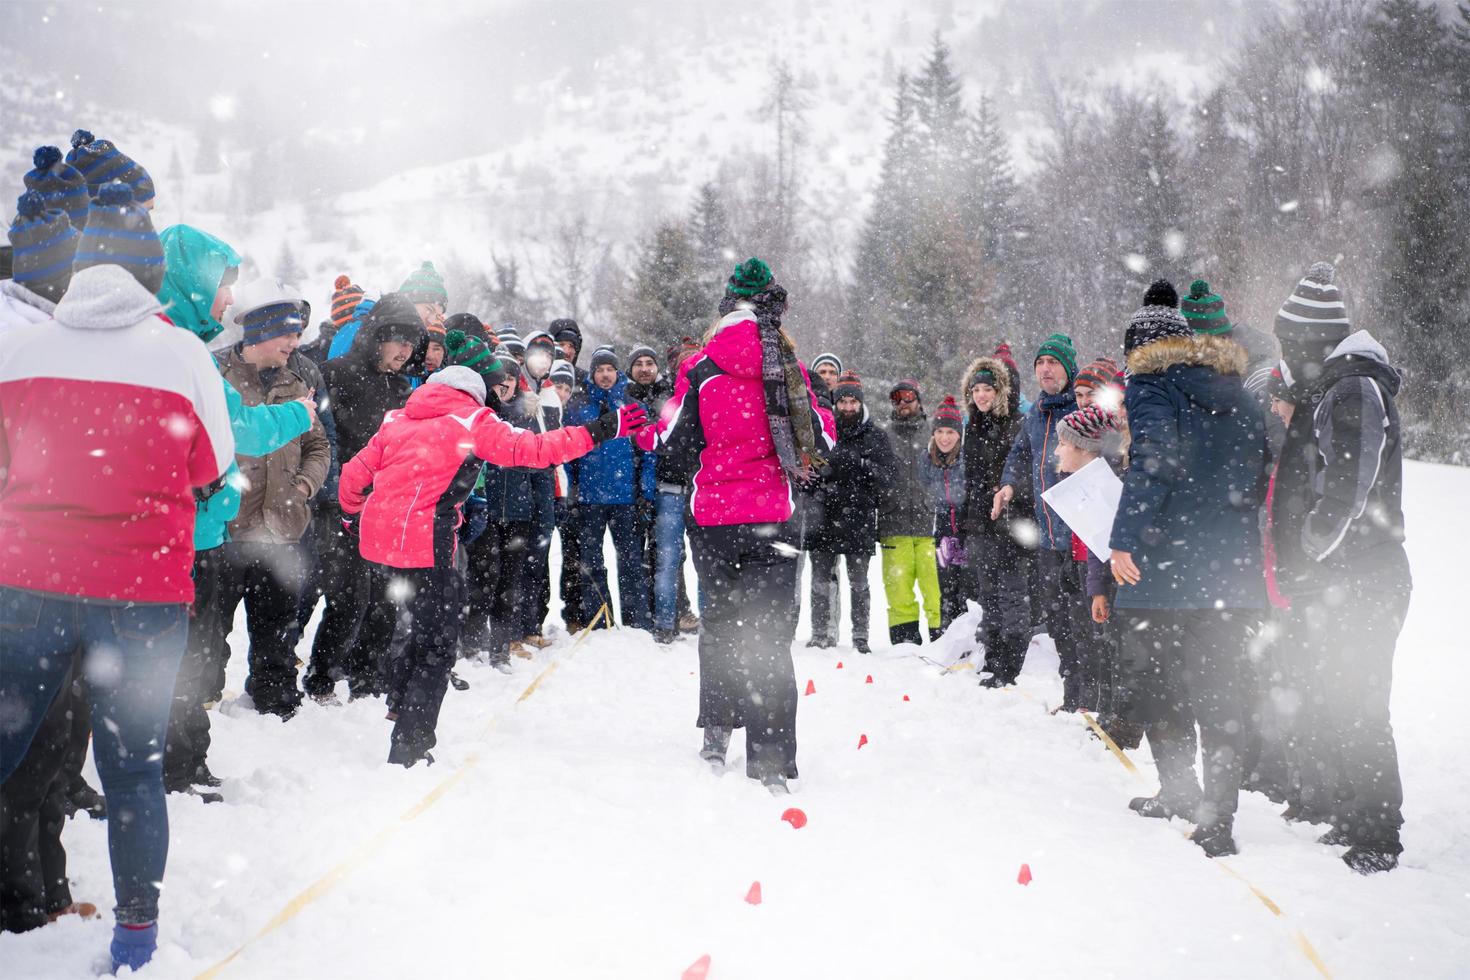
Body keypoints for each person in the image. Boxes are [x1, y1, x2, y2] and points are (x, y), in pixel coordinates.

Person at [0, 189, 233, 972]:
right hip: (141, 596)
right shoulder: (181, 354)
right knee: (133, 770)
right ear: (150, 277)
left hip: (26, 586)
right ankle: (135, 940)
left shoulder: (21, 352)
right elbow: (215, 466)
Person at [338, 365, 646, 766]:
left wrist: (350, 515)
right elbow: (535, 451)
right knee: (437, 642)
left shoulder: (397, 419)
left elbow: (353, 474)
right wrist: (599, 430)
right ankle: (410, 747)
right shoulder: (473, 420)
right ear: (474, 395)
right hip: (425, 542)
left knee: (410, 620)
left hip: (378, 541)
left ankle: (399, 699)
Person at [638, 257, 834, 792]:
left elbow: (672, 446)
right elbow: (822, 438)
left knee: (721, 628)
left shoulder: (700, 369)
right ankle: (771, 758)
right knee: (770, 638)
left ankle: (718, 733)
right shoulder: (788, 368)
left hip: (716, 521)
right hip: (774, 518)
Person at [1109, 284, 1269, 858]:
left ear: (1141, 349)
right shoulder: (1240, 392)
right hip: (1232, 574)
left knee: (1159, 686)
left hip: (1162, 571)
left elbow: (1153, 461)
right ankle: (1216, 817)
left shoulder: (1151, 386)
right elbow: (1257, 474)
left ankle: (1180, 790)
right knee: (1222, 692)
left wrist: (1123, 540)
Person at [158, 225, 316, 796]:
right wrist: (300, 415)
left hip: (194, 530)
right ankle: (176, 764)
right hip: (185, 536)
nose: (228, 302)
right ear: (193, 285)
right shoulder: (183, 353)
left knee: (186, 651)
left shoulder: (178, 346)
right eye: (222, 287)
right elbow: (234, 428)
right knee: (190, 653)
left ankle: (177, 759)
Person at [1269, 262, 1412, 874]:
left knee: (1358, 701)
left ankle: (1380, 831)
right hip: (1346, 577)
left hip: (1367, 576)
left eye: (1290, 344)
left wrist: (1308, 547)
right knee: (1335, 694)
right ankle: (1355, 811)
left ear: (1311, 341)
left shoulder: (1353, 387)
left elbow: (1348, 492)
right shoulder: (1336, 383)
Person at [202, 279, 329, 719]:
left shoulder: (301, 380)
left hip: (282, 529)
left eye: (297, 334)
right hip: (227, 530)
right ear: (259, 334)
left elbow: (319, 445)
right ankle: (203, 701)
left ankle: (274, 700)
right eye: (288, 334)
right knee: (209, 631)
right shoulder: (216, 376)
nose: (295, 343)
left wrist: (304, 487)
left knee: (277, 629)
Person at [305, 293, 422, 700]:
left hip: (386, 506)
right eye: (399, 341)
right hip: (341, 504)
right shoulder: (336, 373)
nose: (405, 351)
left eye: (411, 344)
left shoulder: (401, 387)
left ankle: (367, 678)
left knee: (386, 598)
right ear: (376, 337)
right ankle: (320, 676)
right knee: (347, 596)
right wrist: (335, 489)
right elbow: (320, 437)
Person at [993, 332, 1082, 705]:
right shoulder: (1037, 411)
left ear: (1068, 368)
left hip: (1079, 537)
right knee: (1059, 619)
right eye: (1040, 364)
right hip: (1047, 536)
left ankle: (1089, 696)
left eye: (1053, 363)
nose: (1045, 370)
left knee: (1083, 623)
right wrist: (1007, 487)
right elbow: (1018, 455)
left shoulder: (1081, 409)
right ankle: (1072, 692)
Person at [1052, 404, 1139, 748]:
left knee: (1126, 654)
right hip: (1111, 581)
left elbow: (1113, 539)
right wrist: (1097, 590)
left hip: (1132, 580)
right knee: (1110, 650)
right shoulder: (1089, 481)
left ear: (1085, 448)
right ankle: (1112, 716)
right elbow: (1096, 544)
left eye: (1063, 444)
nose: (1057, 451)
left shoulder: (1116, 482)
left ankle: (1125, 722)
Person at [564, 346, 654, 630]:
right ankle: (599, 619)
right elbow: (568, 449)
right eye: (600, 370)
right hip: (590, 497)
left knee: (630, 560)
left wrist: (645, 491)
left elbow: (647, 453)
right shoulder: (578, 408)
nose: (605, 375)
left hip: (625, 498)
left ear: (618, 373)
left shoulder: (633, 407)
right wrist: (573, 486)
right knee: (592, 560)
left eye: (610, 369)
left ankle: (636, 621)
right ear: (592, 374)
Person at [805, 372, 892, 653]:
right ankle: (821, 633)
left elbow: (889, 476)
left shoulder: (876, 435)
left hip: (859, 516)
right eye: (842, 401)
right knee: (820, 580)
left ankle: (860, 637)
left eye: (853, 401)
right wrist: (820, 482)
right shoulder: (822, 431)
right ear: (835, 403)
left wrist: (861, 465)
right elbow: (806, 471)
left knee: (859, 582)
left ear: (861, 402)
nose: (847, 407)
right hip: (824, 513)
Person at [958, 356, 1027, 686]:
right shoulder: (972, 424)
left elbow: (1019, 472)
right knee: (989, 595)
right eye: (976, 390)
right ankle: (993, 657)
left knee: (1011, 593)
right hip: (980, 519)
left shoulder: (1015, 423)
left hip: (1009, 518)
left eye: (988, 389)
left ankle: (1010, 666)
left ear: (1000, 391)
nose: (982, 395)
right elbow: (969, 477)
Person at [880, 379, 942, 645]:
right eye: (897, 399)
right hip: (893, 524)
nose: (903, 404)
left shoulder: (935, 432)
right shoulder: (883, 435)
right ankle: (904, 643)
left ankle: (942, 639)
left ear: (919, 400)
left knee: (935, 589)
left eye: (908, 398)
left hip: (930, 524)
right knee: (898, 589)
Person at [920, 396, 967, 630]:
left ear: (959, 434)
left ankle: (967, 636)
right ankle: (945, 634)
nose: (945, 438)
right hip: (943, 533)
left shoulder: (966, 459)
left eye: (950, 432)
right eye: (940, 432)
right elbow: (923, 488)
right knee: (945, 584)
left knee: (965, 588)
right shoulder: (927, 459)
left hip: (965, 531)